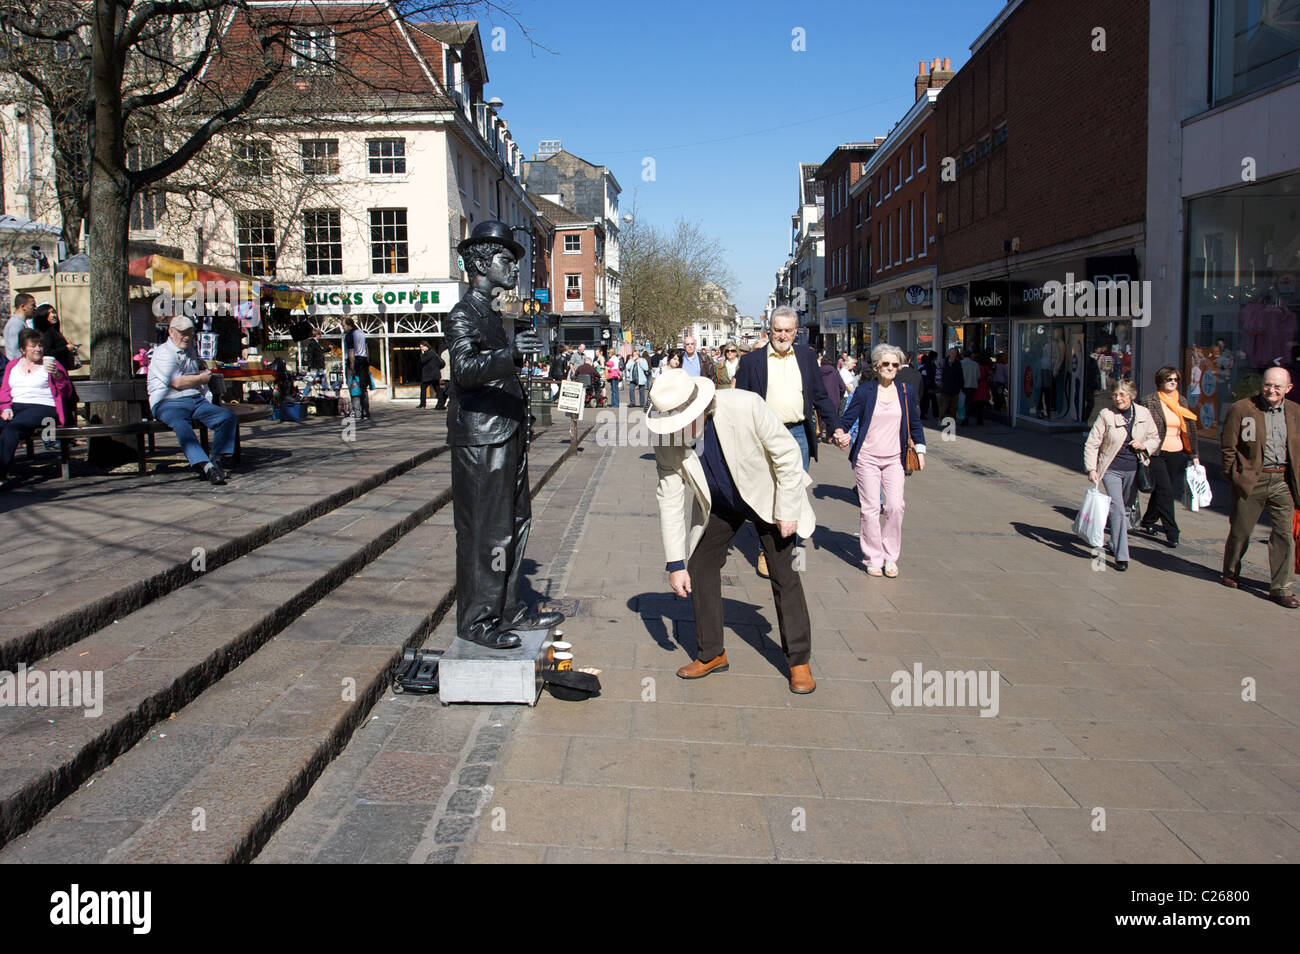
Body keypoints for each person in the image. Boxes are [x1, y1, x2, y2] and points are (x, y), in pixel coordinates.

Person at [647, 368, 818, 694]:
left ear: (699, 410)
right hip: (722, 504)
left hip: (768, 496)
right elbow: (669, 499)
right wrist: (674, 563)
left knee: (783, 572)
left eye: (681, 423)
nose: (676, 431)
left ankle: (799, 661)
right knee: (699, 565)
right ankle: (712, 653)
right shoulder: (667, 442)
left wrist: (787, 512)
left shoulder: (746, 406)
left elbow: (787, 455)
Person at [446, 221, 563, 648]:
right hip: (481, 440)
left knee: (516, 522)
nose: (515, 267)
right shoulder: (463, 315)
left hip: (506, 434)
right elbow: (464, 372)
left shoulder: (493, 314)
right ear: (480, 262)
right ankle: (477, 621)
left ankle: (508, 609)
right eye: (506, 260)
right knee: (486, 531)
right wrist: (509, 354)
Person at [735, 305, 847, 578]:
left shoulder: (808, 358)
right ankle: (767, 549)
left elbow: (821, 396)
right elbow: (740, 404)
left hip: (797, 434)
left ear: (796, 332)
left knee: (794, 492)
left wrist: (836, 427)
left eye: (787, 331)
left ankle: (789, 548)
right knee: (768, 493)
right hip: (765, 435)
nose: (782, 335)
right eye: (777, 330)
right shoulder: (752, 362)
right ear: (769, 329)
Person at [841, 344, 926, 578]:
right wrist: (840, 433)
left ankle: (891, 556)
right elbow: (848, 419)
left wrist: (920, 449)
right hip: (867, 458)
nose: (890, 368)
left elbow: (915, 424)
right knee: (870, 509)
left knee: (896, 506)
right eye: (886, 364)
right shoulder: (865, 391)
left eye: (895, 364)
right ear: (877, 366)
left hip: (895, 459)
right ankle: (873, 557)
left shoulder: (905, 391)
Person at [1221, 367, 1300, 607]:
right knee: (1240, 532)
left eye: (1278, 387)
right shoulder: (1243, 409)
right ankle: (1231, 570)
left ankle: (1281, 588)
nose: (1271, 390)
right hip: (1251, 480)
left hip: (1282, 481)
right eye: (1268, 385)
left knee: (1285, 535)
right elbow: (1228, 446)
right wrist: (1234, 475)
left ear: (1288, 388)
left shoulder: (1295, 411)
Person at [147, 315, 239, 485]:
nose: (186, 337)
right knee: (182, 425)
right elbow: (177, 382)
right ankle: (206, 467)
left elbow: (190, 380)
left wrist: (200, 382)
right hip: (168, 402)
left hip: (194, 399)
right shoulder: (162, 353)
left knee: (227, 417)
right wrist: (201, 378)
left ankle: (216, 461)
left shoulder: (190, 350)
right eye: (182, 333)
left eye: (190, 333)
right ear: (170, 332)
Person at [1083, 381, 1159, 571]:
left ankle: (1115, 543)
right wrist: (1091, 468)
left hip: (1135, 469)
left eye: (1122, 395)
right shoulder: (1106, 415)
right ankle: (1122, 556)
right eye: (1115, 395)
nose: (1118, 398)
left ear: (1131, 395)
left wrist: (1144, 446)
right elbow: (1092, 443)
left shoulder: (1143, 413)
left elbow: (1155, 437)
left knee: (1125, 510)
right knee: (1117, 508)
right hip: (1111, 469)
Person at [0, 329, 76, 484]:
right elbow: (5, 390)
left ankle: (1, 474)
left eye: (40, 345)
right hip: (16, 406)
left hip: (43, 407)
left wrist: (57, 375)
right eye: (33, 346)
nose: (38, 349)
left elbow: (67, 392)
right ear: (22, 349)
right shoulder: (12, 366)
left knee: (12, 428)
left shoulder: (51, 364)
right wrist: (5, 408)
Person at [1139, 366, 1199, 548]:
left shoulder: (1181, 401)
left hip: (1176, 452)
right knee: (1166, 491)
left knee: (1161, 490)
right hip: (1156, 452)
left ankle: (1148, 521)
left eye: (1175, 379)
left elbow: (1189, 429)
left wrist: (1194, 454)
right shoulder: (1149, 401)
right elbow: (1141, 427)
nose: (1173, 382)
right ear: (1160, 381)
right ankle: (1172, 532)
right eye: (1169, 379)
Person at [342, 317, 371, 420]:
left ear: (349, 325)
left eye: (344, 325)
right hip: (363, 361)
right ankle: (365, 412)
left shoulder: (350, 335)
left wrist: (352, 367)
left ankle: (357, 412)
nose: (343, 328)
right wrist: (367, 362)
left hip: (355, 361)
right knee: (363, 388)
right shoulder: (361, 333)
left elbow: (351, 351)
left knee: (354, 386)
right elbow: (366, 348)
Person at [33, 305, 77, 370]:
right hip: (54, 368)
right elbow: (47, 352)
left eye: (53, 312)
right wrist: (66, 348)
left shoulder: (54, 331)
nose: (53, 315)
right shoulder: (46, 332)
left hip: (60, 368)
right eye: (49, 313)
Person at [818, 353, 845, 441]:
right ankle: (829, 437)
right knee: (832, 417)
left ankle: (819, 434)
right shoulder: (835, 373)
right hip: (834, 399)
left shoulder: (817, 372)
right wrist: (840, 395)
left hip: (820, 398)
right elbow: (842, 387)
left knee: (820, 417)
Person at [4, 293, 36, 362]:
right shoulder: (16, 324)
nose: (35, 308)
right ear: (23, 306)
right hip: (17, 365)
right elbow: (15, 349)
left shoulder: (21, 322)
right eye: (32, 305)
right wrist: (26, 363)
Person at [939, 347, 963, 423]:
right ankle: (941, 420)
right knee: (944, 406)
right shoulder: (943, 362)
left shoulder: (958, 363)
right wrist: (940, 385)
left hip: (955, 388)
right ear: (949, 353)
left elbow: (960, 376)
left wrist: (960, 386)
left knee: (954, 407)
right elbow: (938, 374)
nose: (953, 355)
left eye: (955, 353)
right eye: (952, 353)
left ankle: (952, 421)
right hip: (945, 388)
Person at [418, 340, 442, 409]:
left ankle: (423, 404)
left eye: (422, 347)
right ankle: (440, 404)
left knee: (423, 387)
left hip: (430, 375)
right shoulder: (432, 352)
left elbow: (423, 361)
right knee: (437, 389)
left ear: (426, 346)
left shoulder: (429, 353)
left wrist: (422, 354)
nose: (421, 349)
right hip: (433, 375)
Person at [960, 350, 981, 424]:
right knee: (969, 402)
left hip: (962, 385)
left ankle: (963, 417)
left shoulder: (961, 363)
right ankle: (967, 416)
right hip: (972, 385)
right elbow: (978, 376)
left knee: (962, 402)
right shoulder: (975, 364)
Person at [918, 352, 938, 419]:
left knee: (926, 400)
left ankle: (924, 413)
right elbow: (930, 376)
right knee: (929, 400)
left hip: (926, 385)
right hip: (928, 385)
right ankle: (933, 413)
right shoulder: (930, 365)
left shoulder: (925, 365)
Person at [437, 344, 451, 409]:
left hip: (446, 374)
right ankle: (441, 404)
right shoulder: (449, 353)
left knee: (446, 390)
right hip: (449, 375)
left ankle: (441, 404)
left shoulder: (444, 353)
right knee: (447, 390)